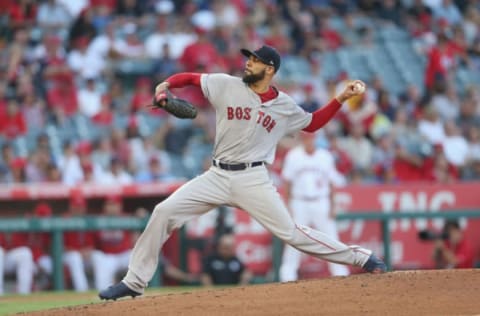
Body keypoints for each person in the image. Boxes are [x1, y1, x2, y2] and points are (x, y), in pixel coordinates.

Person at [99, 45, 386, 300]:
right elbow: (190, 79)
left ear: (270, 69)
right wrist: (165, 84)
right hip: (217, 175)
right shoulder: (227, 84)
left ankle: (361, 257)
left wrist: (340, 99)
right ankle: (134, 282)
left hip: (253, 179)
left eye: (256, 60)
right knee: (163, 212)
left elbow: (311, 124)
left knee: (291, 233)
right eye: (249, 58)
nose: (248, 63)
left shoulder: (284, 105)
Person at [280, 132, 350, 282]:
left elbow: (331, 183)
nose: (308, 141)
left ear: (316, 139)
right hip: (299, 202)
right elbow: (287, 182)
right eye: (305, 138)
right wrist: (288, 205)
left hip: (321, 201)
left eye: (311, 138)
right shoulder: (293, 155)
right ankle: (287, 275)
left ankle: (340, 273)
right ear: (301, 140)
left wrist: (333, 205)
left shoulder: (325, 156)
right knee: (294, 239)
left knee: (331, 238)